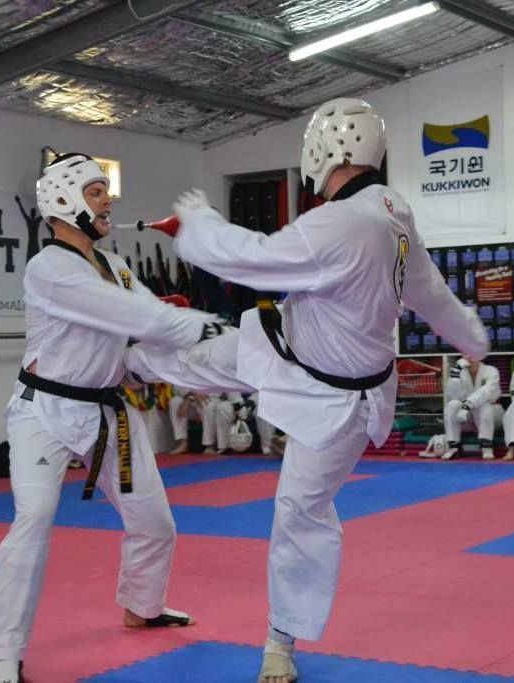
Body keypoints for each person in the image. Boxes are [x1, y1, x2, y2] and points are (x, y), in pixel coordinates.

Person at [126, 98, 488, 683]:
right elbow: (431, 292)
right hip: (293, 346)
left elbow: (253, 259)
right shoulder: (392, 210)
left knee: (300, 512)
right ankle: (132, 365)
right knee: (211, 354)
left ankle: (280, 640)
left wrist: (200, 223)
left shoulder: (342, 222)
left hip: (338, 403)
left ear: (327, 151)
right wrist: (472, 337)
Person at [0, 153, 220, 683]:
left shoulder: (115, 267)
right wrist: (197, 325)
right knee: (34, 518)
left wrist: (210, 345)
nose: (108, 199)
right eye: (95, 191)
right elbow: (135, 315)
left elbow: (146, 325)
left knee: (154, 521)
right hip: (44, 411)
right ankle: (5, 654)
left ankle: (144, 607)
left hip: (107, 412)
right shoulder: (49, 268)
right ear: (64, 200)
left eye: (105, 191)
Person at [442, 355, 503, 460]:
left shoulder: (491, 371)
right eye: (466, 353)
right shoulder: (459, 371)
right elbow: (453, 396)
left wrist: (467, 405)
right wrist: (455, 373)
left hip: (491, 416)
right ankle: (454, 446)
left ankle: (486, 446)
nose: (469, 357)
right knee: (452, 404)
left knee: (484, 405)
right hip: (466, 417)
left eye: (472, 353)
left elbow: (486, 392)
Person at [168, 388, 225, 454]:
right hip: (189, 397)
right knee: (174, 402)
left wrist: (199, 393)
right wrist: (191, 395)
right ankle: (183, 443)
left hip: (209, 397)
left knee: (207, 405)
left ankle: (210, 446)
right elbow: (176, 386)